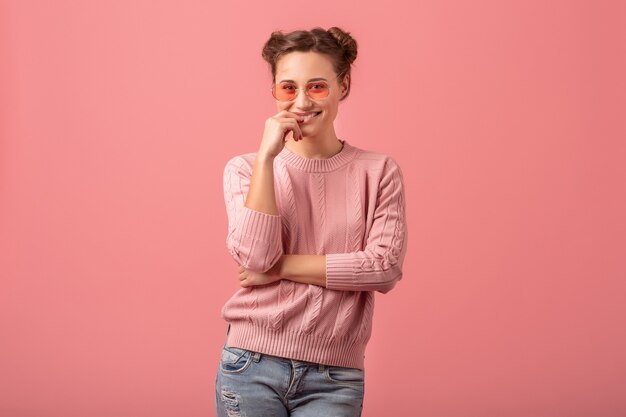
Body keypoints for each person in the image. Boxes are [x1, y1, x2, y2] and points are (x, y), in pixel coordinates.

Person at [215, 26, 408, 417]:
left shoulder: (379, 171)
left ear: (343, 85)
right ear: (274, 91)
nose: (302, 102)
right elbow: (256, 257)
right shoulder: (246, 169)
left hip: (335, 376)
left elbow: (383, 267)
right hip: (249, 364)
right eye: (288, 88)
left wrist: (280, 267)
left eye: (317, 86)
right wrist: (268, 159)